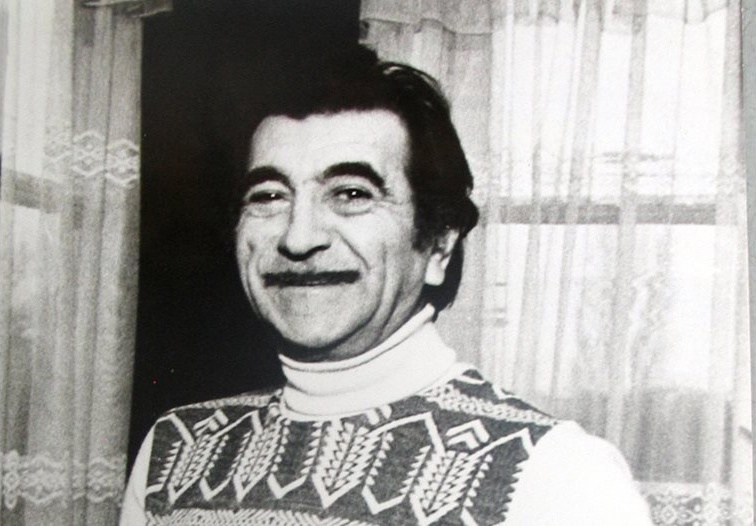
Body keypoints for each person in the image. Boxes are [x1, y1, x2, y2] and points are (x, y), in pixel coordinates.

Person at [120, 46, 652, 525]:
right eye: (269, 196)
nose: (299, 238)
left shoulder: (555, 474)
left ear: (439, 244)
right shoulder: (175, 452)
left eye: (351, 194)